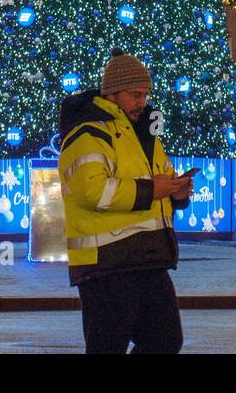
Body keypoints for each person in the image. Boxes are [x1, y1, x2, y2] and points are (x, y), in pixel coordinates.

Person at [58, 51, 193, 354]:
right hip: (106, 264)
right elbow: (90, 192)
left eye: (144, 95)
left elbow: (161, 180)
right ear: (112, 93)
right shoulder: (88, 133)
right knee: (108, 347)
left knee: (166, 341)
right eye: (134, 95)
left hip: (147, 257)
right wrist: (151, 190)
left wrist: (176, 192)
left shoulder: (144, 135)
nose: (141, 102)